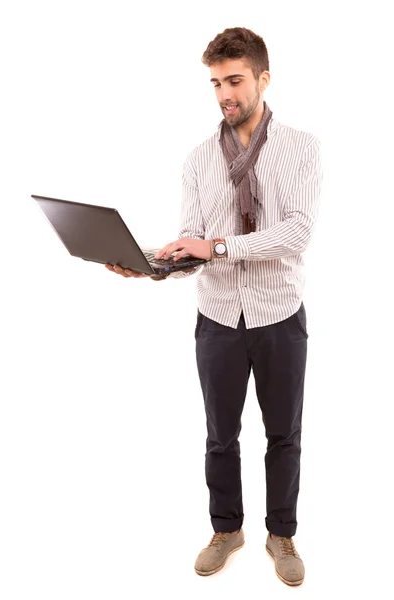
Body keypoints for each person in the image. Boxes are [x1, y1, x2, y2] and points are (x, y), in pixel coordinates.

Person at [106, 26, 323, 587]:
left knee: (285, 434)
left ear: (263, 78)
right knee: (219, 434)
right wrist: (152, 263)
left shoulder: (301, 146)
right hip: (218, 318)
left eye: (235, 80)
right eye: (215, 83)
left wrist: (219, 246)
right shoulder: (198, 159)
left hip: (279, 315)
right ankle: (227, 529)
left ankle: (282, 533)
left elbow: (297, 232)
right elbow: (194, 240)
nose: (224, 93)